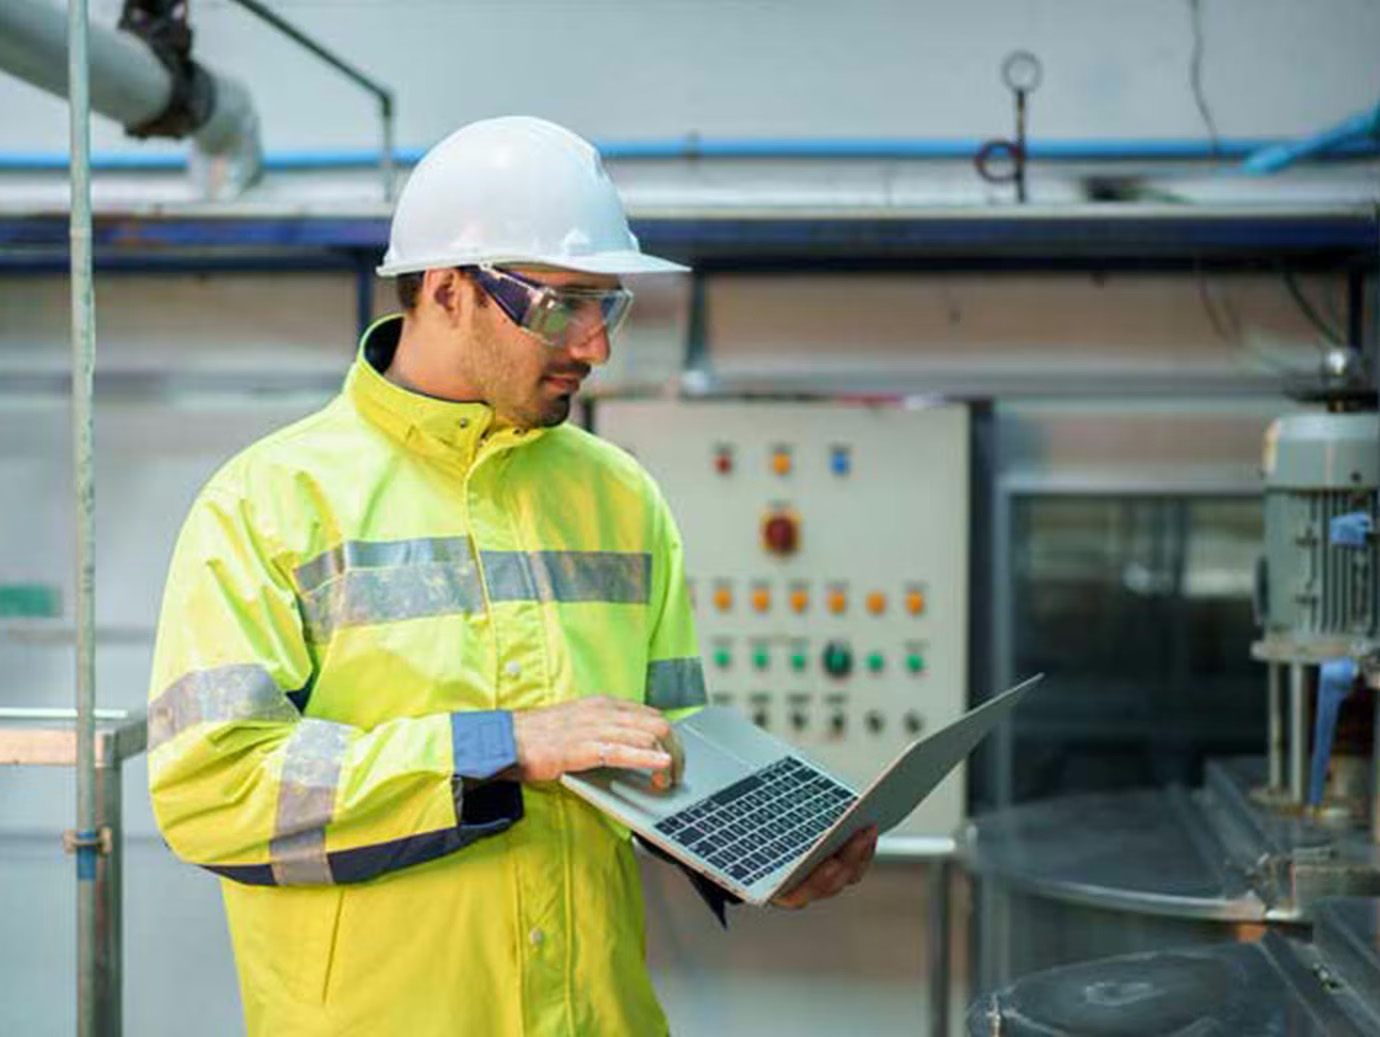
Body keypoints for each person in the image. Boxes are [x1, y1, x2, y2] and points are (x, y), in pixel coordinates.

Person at [146, 115, 878, 1036]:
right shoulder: (268, 504)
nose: (596, 346)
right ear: (450, 289)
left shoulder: (620, 497)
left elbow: (669, 736)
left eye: (606, 306)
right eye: (561, 305)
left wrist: (754, 846)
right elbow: (213, 791)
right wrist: (495, 747)